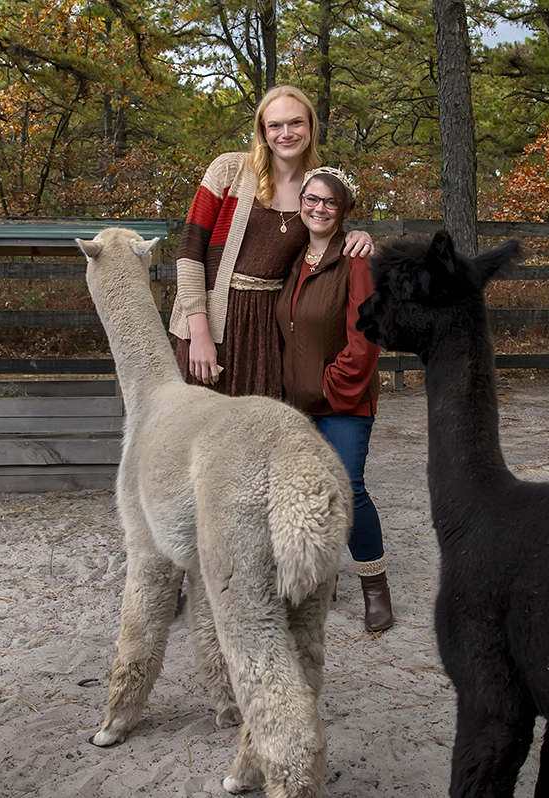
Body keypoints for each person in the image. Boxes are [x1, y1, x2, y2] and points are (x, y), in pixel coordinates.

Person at [169, 85, 373, 398]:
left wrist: (358, 235)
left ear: (311, 126)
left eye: (296, 123)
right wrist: (199, 333)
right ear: (263, 131)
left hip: (271, 330)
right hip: (214, 321)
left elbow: (328, 239)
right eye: (275, 125)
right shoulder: (230, 171)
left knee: (260, 433)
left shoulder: (316, 188)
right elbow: (189, 253)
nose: (285, 133)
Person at [276, 166, 392, 632]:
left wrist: (330, 385)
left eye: (330, 202)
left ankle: (375, 586)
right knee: (302, 493)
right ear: (300, 201)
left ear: (343, 210)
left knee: (348, 488)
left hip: (341, 399)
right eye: (312, 199)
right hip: (294, 403)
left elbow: (367, 336)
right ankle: (314, 581)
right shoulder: (290, 259)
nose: (319, 209)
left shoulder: (356, 258)